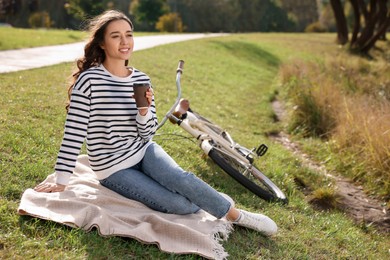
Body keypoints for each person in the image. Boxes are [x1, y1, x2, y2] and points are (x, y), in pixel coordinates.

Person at [34, 10, 278, 236]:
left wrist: (142, 111)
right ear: (101, 43)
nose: (124, 42)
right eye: (116, 36)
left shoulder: (141, 79)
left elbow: (148, 131)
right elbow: (73, 132)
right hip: (113, 167)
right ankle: (210, 199)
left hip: (144, 149)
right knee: (179, 205)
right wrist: (62, 179)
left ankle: (239, 216)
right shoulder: (89, 80)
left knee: (181, 179)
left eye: (128, 35)